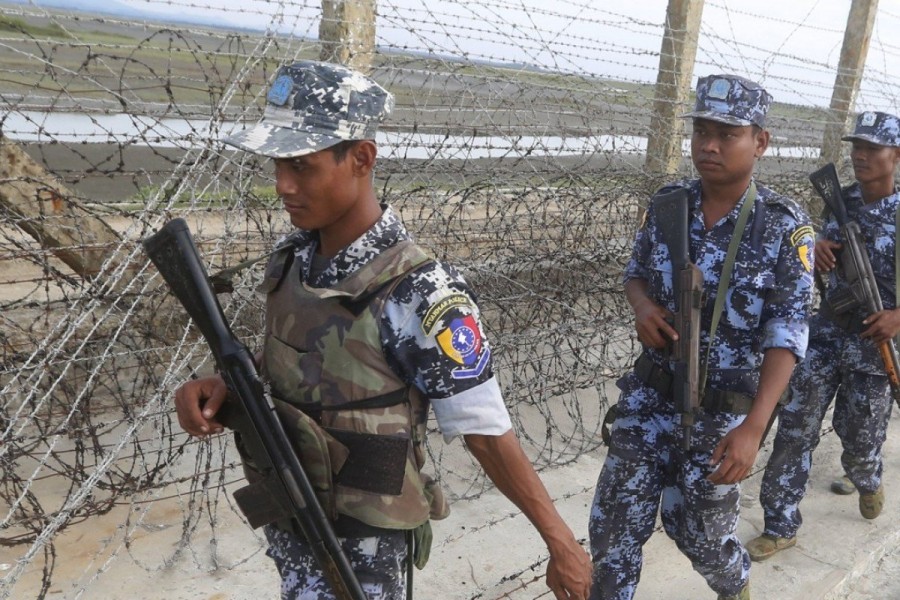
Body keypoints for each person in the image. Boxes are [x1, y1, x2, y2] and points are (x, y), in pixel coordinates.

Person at [172, 60, 592, 600]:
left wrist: (559, 542)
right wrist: (222, 383)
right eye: (278, 164)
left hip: (361, 545)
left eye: (301, 165)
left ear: (361, 159)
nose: (281, 184)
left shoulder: (422, 289)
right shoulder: (295, 259)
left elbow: (484, 429)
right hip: (289, 508)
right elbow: (300, 363)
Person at [587, 74, 814, 600]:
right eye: (701, 132)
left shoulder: (782, 227)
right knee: (613, 531)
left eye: (726, 134)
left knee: (702, 536)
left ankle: (735, 585)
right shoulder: (670, 204)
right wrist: (642, 306)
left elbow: (787, 332)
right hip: (650, 397)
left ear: (760, 141)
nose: (708, 146)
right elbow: (635, 272)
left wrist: (756, 426)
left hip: (723, 411)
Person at [747, 111, 900, 562]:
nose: (861, 155)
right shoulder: (839, 199)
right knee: (795, 428)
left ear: (897, 155)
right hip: (826, 333)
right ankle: (779, 524)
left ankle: (866, 476)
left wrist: (898, 317)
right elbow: (807, 255)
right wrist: (816, 248)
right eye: (857, 146)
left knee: (859, 438)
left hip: (876, 347)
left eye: (873, 148)